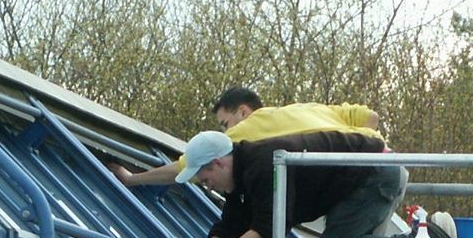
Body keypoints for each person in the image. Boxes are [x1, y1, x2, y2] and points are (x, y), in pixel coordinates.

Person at [177, 126, 407, 238]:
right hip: (370, 170)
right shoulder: (242, 176)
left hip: (373, 171)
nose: (208, 188)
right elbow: (231, 224)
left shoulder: (263, 166)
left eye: (206, 180)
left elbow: (269, 231)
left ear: (218, 163)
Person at [110, 87, 384, 188]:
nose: (225, 134)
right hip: (384, 165)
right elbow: (370, 117)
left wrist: (134, 179)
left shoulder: (248, 130)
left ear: (243, 111)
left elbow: (183, 167)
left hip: (367, 177)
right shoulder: (306, 109)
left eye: (225, 124)